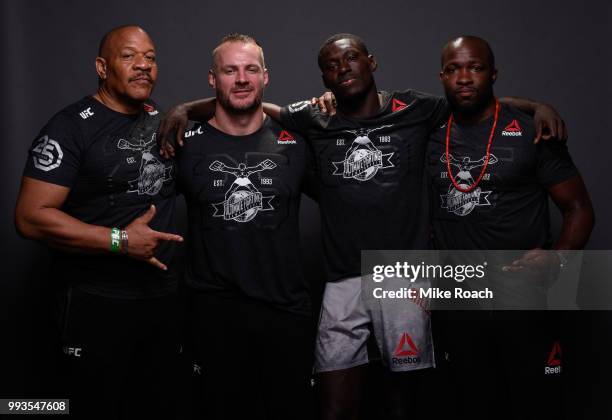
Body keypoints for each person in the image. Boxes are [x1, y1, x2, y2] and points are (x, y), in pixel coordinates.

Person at [160, 33, 566, 420]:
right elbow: (249, 103)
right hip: (342, 278)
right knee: (334, 406)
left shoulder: (415, 109)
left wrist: (533, 107)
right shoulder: (316, 118)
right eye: (332, 65)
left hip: (401, 272)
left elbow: (473, 99)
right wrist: (184, 110)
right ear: (325, 78)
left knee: (407, 402)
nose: (344, 68)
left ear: (372, 62)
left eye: (352, 58)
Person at [14, 25, 183, 420]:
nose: (143, 65)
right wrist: (120, 240)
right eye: (129, 57)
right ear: (102, 67)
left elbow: (231, 106)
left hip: (162, 300)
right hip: (96, 303)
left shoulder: (165, 119)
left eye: (151, 57)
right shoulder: (70, 126)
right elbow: (29, 218)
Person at [427, 35, 594, 419]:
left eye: (475, 67)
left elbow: (580, 208)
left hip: (523, 298)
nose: (464, 77)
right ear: (441, 77)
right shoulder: (429, 130)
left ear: (494, 74)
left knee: (535, 400)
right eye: (453, 69)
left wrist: (559, 259)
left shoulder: (531, 131)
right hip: (458, 301)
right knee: (470, 403)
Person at [175, 33, 314, 420]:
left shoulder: (298, 142)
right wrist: (116, 240)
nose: (241, 79)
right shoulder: (183, 141)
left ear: (265, 77)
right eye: (229, 70)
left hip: (286, 312)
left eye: (250, 69)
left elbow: (352, 200)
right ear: (212, 79)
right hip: (213, 314)